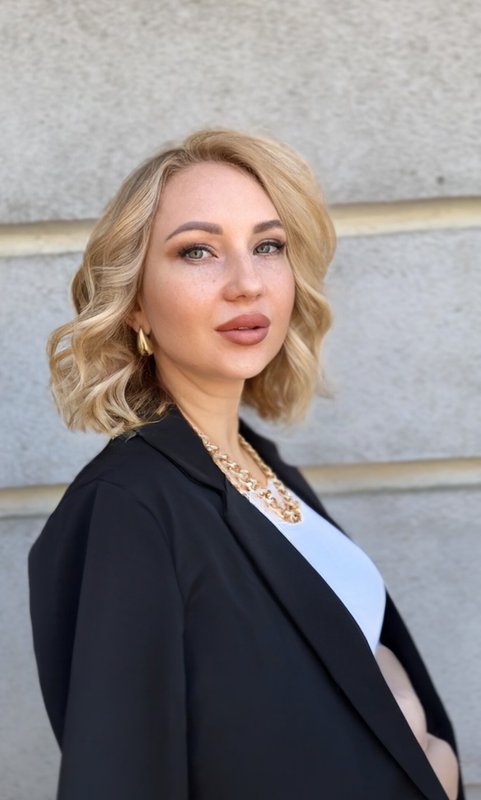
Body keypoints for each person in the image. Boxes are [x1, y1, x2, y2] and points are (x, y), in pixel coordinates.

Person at [29, 129, 461, 800]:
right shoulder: (128, 507)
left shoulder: (265, 465)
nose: (247, 284)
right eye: (197, 251)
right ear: (135, 302)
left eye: (268, 246)